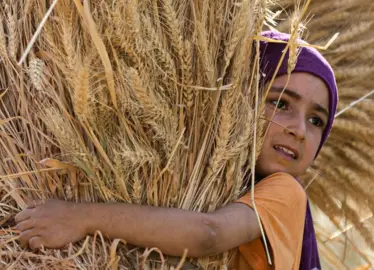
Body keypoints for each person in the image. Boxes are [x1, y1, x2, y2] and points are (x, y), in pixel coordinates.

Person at [14, 31, 338, 269]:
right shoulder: (226, 186)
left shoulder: (285, 193)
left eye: (316, 120)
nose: (298, 129)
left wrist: (79, 217)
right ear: (241, 102)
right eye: (280, 103)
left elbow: (208, 234)